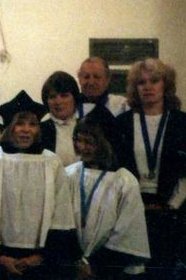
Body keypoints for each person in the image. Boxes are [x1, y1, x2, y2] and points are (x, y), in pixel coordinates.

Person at [0, 91, 79, 279]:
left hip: (40, 259)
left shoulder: (51, 162)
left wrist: (39, 257)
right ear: (9, 127)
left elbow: (61, 215)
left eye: (32, 124)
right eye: (19, 123)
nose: (26, 130)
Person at [114, 58, 186, 278]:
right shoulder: (121, 124)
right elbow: (115, 171)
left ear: (166, 85)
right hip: (132, 210)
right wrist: (134, 205)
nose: (148, 87)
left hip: (171, 212)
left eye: (154, 80)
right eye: (141, 82)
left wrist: (170, 207)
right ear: (135, 88)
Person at [67, 118, 150, 279]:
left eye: (89, 142)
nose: (82, 147)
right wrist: (77, 262)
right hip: (74, 265)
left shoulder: (124, 181)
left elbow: (127, 232)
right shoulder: (69, 174)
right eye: (79, 140)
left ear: (106, 142)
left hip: (107, 268)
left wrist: (94, 266)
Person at [40, 71, 83, 166]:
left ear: (74, 97)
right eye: (52, 97)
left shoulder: (87, 126)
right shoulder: (41, 130)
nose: (58, 101)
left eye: (64, 96)